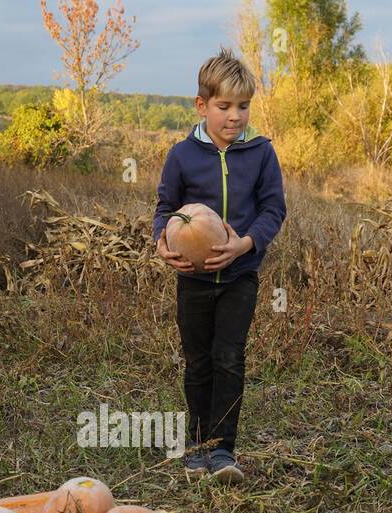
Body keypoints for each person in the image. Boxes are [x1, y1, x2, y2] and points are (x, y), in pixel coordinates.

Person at [152, 48, 287, 483]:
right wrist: (161, 242)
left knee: (229, 358)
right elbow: (165, 208)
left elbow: (273, 209)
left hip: (239, 277)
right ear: (202, 105)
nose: (235, 116)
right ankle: (197, 446)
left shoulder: (262, 153)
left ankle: (224, 451)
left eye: (243, 106)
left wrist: (245, 244)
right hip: (192, 279)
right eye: (224, 106)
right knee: (198, 361)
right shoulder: (182, 156)